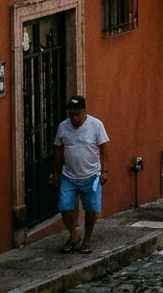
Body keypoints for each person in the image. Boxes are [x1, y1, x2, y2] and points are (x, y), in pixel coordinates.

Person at [52, 95, 108, 254]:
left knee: (91, 210)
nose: (74, 118)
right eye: (71, 114)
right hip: (69, 175)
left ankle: (87, 239)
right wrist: (55, 172)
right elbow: (57, 149)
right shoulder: (63, 127)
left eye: (77, 114)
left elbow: (104, 149)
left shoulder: (96, 125)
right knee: (64, 206)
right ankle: (73, 235)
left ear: (85, 111)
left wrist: (104, 171)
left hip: (92, 176)